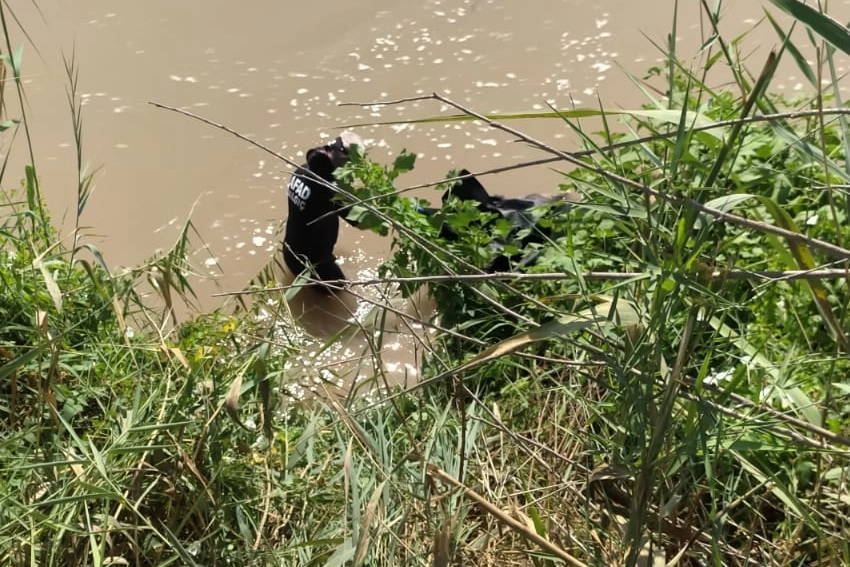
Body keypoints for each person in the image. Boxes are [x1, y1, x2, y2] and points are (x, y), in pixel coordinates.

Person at [283, 132, 365, 292]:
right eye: (354, 162)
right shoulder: (331, 190)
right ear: (342, 157)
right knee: (342, 299)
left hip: (290, 251)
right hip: (313, 265)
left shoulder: (302, 169)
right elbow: (363, 223)